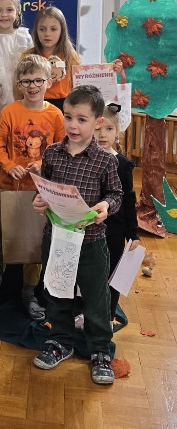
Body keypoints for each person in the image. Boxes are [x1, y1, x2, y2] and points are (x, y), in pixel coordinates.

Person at [32, 85, 123, 385]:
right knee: (57, 291)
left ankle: (100, 349)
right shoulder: (52, 154)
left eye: (82, 119)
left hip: (92, 242)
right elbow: (44, 188)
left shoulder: (105, 160)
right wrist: (39, 200)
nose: (73, 125)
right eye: (68, 117)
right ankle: (60, 341)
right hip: (56, 238)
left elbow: (116, 194)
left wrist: (105, 206)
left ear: (97, 121)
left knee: (96, 297)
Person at [0, 54, 65, 319]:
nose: (33, 86)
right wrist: (10, 165)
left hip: (41, 191)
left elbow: (62, 150)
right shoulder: (10, 112)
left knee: (35, 241)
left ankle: (29, 292)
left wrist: (42, 164)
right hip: (10, 187)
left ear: (49, 82)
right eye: (26, 81)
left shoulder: (55, 115)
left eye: (38, 80)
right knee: (2, 237)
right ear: (19, 84)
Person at [95, 103, 140, 322]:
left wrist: (133, 233)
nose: (102, 135)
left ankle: (109, 315)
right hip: (91, 229)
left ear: (117, 132)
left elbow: (129, 199)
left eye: (109, 129)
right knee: (91, 273)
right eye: (97, 129)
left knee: (113, 273)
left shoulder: (122, 165)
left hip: (115, 230)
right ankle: (86, 312)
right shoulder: (85, 160)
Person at [21, 7, 81, 112]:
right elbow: (21, 86)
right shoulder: (28, 56)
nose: (47, 34)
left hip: (65, 107)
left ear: (62, 31)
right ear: (36, 31)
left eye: (53, 29)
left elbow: (78, 85)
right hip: (36, 105)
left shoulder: (70, 56)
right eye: (42, 29)